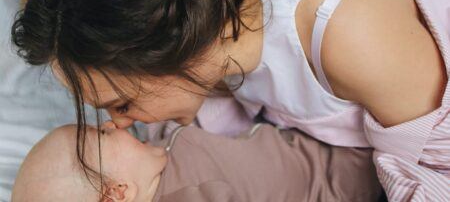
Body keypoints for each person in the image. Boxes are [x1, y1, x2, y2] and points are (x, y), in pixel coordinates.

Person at [11, 0, 450, 200]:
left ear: (169, 49)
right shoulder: (212, 22)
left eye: (122, 103)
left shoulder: (349, 28)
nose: (120, 124)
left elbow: (438, 176)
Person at [11, 121, 383, 202]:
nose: (109, 123)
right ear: (117, 193)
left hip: (310, 136)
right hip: (339, 174)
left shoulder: (153, 156)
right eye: (103, 134)